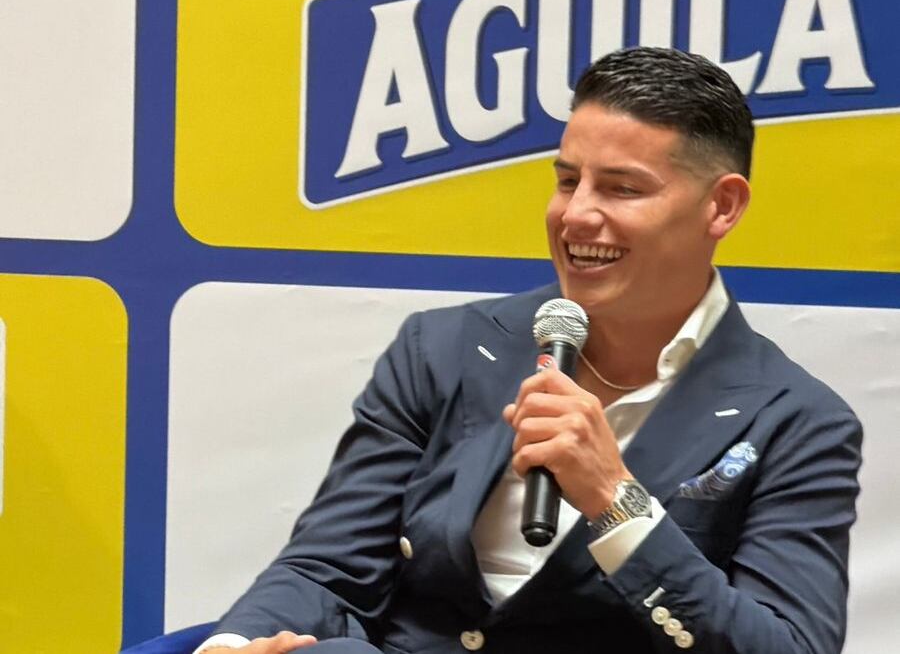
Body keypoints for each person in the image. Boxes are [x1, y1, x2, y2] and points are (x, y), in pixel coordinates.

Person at [196, 47, 862, 654]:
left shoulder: (795, 420)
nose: (574, 216)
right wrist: (233, 646)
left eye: (622, 188)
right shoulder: (446, 347)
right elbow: (327, 565)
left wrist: (615, 496)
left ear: (722, 206)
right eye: (568, 180)